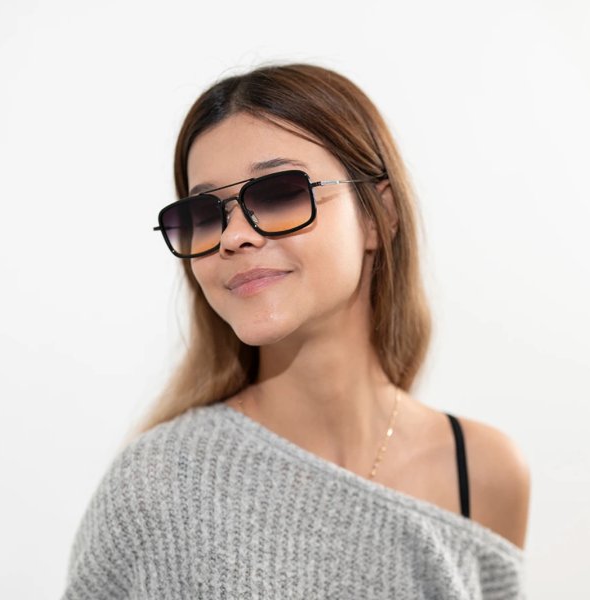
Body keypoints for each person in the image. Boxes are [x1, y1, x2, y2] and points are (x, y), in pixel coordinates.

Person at [62, 62, 531, 599]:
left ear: (379, 215)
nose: (233, 236)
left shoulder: (484, 472)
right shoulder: (155, 488)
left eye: (280, 193)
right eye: (205, 214)